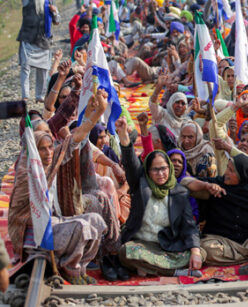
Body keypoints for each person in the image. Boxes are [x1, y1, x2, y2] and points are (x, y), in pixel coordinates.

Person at [10, 90, 113, 285]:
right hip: (32, 232)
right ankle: (70, 269)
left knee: (96, 221)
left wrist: (97, 113)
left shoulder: (50, 159)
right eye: (42, 148)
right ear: (32, 149)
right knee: (82, 227)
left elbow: (74, 139)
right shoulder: (27, 171)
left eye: (50, 146)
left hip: (54, 222)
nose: (49, 152)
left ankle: (79, 267)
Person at [115, 118, 204, 277]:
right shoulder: (140, 183)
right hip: (142, 244)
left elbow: (189, 225)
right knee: (125, 252)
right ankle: (175, 271)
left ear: (169, 168)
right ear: (148, 171)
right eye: (155, 170)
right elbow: (130, 163)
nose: (161, 174)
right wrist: (124, 138)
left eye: (163, 169)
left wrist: (195, 251)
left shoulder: (180, 192)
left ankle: (147, 268)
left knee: (202, 253)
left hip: (168, 246)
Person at [182, 154, 248, 276]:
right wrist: (206, 185)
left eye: (231, 170)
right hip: (222, 244)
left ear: (242, 175)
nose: (226, 172)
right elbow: (184, 182)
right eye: (227, 168)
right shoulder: (217, 186)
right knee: (205, 247)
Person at [17, 0, 61, 102]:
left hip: (44, 39)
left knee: (43, 69)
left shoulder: (50, 2)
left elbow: (57, 21)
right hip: (28, 37)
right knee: (25, 66)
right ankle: (25, 95)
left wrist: (54, 12)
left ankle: (40, 95)